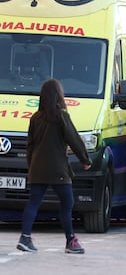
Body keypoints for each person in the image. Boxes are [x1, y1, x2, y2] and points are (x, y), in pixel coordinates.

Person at [17, 79, 92, 254]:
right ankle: (70, 240)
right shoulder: (61, 116)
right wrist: (85, 160)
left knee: (33, 202)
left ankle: (25, 238)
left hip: (37, 167)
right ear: (59, 96)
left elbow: (30, 145)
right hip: (58, 169)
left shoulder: (35, 118)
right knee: (67, 202)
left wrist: (32, 166)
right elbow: (73, 139)